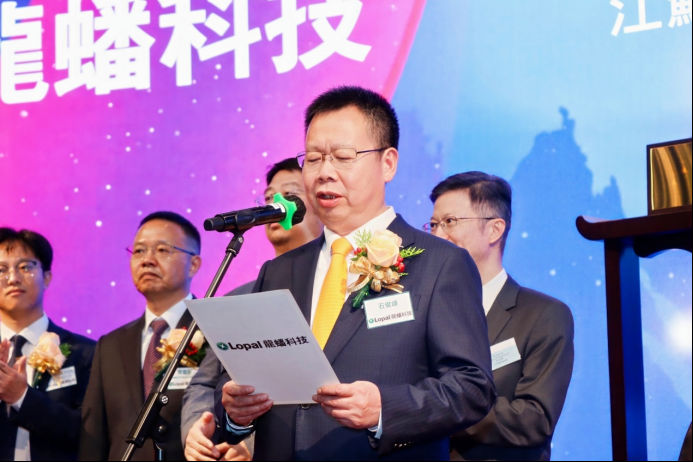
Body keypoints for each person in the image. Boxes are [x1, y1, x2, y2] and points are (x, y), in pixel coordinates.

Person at [215, 86, 496, 460]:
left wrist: (384, 409)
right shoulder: (279, 271)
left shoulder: (440, 264)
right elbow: (243, 377)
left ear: (388, 163)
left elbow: (472, 389)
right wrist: (235, 413)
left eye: (343, 157)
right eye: (313, 158)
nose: (324, 173)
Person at [182, 157, 323, 461]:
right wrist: (196, 428)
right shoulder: (238, 298)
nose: (276, 204)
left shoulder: (335, 290)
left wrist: (253, 444)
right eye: (269, 197)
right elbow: (204, 382)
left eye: (289, 194)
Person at [427, 171, 574, 461]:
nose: (438, 235)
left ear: (494, 230)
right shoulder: (423, 308)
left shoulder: (543, 315)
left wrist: (435, 411)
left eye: (450, 222)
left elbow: (534, 419)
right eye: (433, 224)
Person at [79, 211, 203, 460]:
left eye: (162, 250)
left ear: (193, 264)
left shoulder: (212, 332)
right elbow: (94, 436)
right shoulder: (110, 346)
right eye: (139, 251)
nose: (147, 260)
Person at [0, 228, 95, 461]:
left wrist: (22, 397)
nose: (13, 278)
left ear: (47, 277)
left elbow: (90, 434)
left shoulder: (86, 353)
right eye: (1, 270)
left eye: (25, 267)